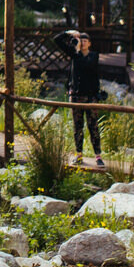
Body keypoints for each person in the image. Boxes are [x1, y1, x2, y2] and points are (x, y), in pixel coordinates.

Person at [56, 29, 105, 168]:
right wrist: (69, 33)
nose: (82, 43)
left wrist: (76, 51)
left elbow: (86, 65)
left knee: (93, 126)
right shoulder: (74, 53)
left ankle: (98, 156)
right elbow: (57, 40)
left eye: (84, 41)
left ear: (89, 43)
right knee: (78, 126)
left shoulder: (93, 56)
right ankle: (79, 155)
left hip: (91, 97)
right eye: (80, 41)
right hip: (77, 96)